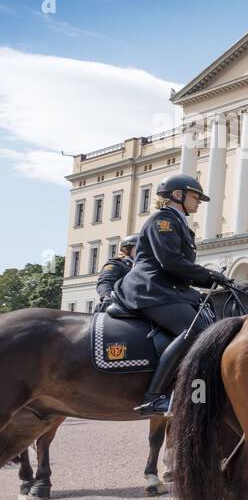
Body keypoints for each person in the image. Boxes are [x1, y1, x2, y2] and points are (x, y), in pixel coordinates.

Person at [114, 175, 234, 415]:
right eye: (195, 196)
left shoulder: (178, 223)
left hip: (169, 289)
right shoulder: (163, 220)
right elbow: (170, 260)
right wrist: (208, 275)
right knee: (197, 332)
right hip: (151, 288)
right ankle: (154, 396)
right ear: (177, 195)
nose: (199, 202)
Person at [93, 234, 139, 311]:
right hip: (119, 305)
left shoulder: (145, 267)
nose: (143, 250)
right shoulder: (117, 264)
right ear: (128, 249)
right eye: (138, 247)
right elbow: (105, 282)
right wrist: (107, 296)